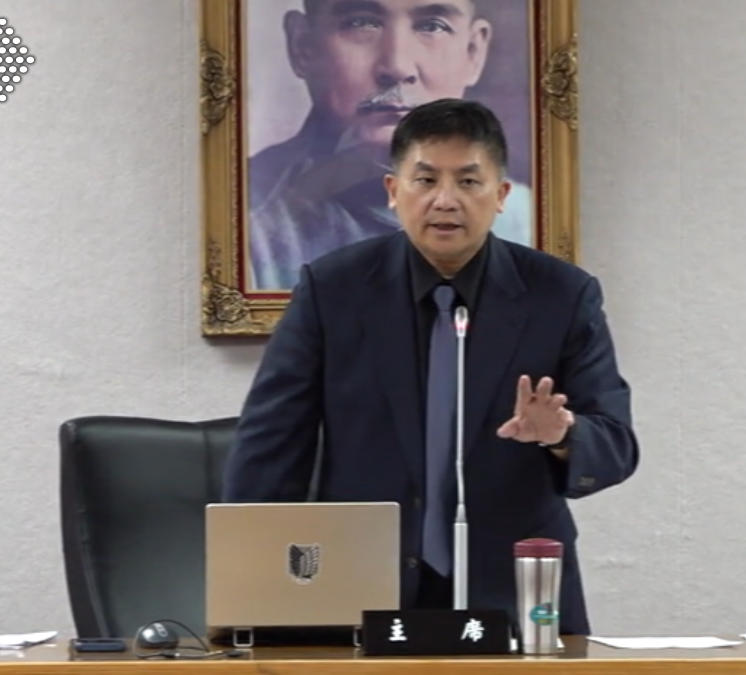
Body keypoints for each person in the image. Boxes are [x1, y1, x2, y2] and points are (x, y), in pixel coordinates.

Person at [222, 98, 640, 635]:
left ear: (501, 196)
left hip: (515, 593)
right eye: (425, 180)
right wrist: (247, 595)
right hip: (360, 585)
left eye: (468, 182)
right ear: (393, 191)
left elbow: (615, 447)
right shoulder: (334, 290)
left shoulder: (561, 296)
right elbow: (270, 445)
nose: (445, 200)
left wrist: (563, 433)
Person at [246, 0, 534, 290]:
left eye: (432, 26)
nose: (397, 66)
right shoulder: (245, 219)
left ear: (473, 52)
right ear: (303, 47)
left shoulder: (526, 221)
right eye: (360, 23)